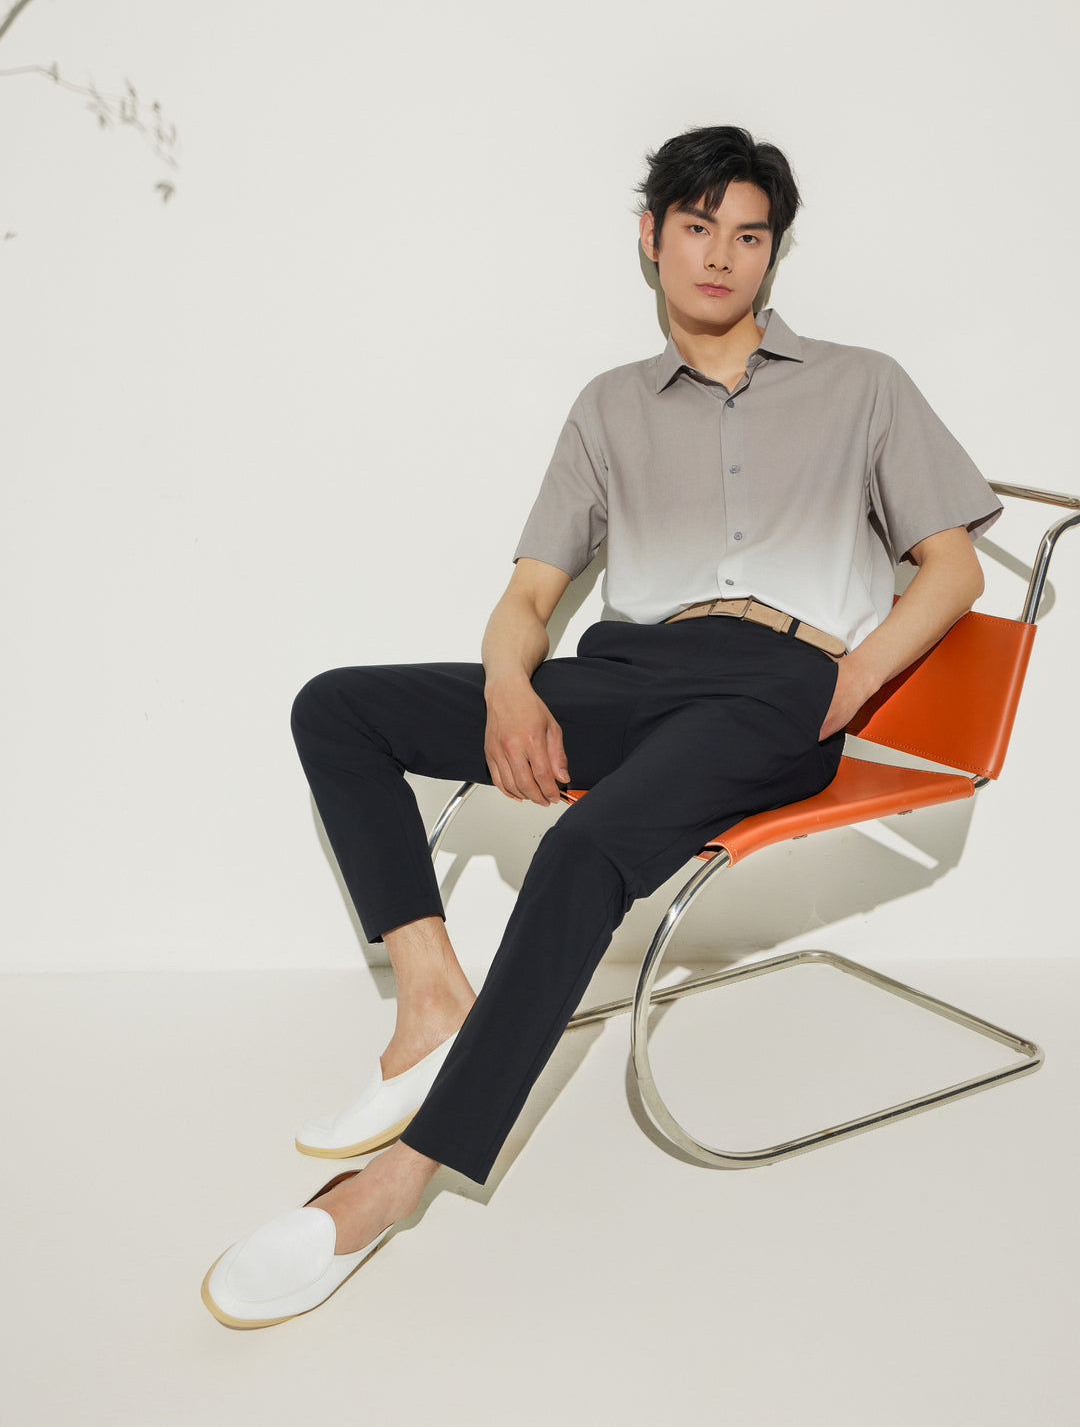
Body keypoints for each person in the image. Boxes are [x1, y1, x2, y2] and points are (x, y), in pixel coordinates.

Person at [201, 125, 1001, 1327]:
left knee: (582, 850)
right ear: (651, 238)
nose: (720, 256)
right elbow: (531, 596)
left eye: (749, 236)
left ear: (774, 253)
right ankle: (431, 1000)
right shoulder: (608, 407)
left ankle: (393, 1186)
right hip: (627, 672)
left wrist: (844, 685)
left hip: (778, 685)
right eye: (697, 228)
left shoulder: (863, 384)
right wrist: (508, 685)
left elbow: (953, 568)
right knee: (340, 706)